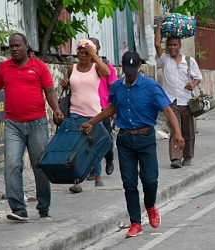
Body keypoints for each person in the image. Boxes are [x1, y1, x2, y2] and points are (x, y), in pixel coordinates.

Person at [79, 51, 185, 238]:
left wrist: (177, 133)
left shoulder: (150, 87)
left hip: (146, 138)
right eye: (126, 71)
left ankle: (150, 205)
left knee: (150, 180)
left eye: (132, 71)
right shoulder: (118, 87)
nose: (129, 75)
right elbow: (111, 108)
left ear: (139, 68)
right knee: (129, 183)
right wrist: (92, 122)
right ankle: (135, 222)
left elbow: (167, 110)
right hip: (125, 139)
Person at [0, 33, 64, 221]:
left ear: (26, 47)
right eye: (11, 46)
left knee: (40, 166)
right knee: (12, 165)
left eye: (18, 45)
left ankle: (44, 208)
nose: (14, 49)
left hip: (37, 123)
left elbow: (49, 91)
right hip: (13, 125)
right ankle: (18, 209)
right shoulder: (4, 68)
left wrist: (56, 109)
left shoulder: (39, 67)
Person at [154, 12, 203, 169]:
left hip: (186, 101)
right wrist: (160, 22)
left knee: (188, 131)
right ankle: (175, 158)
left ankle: (187, 156)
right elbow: (156, 44)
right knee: (175, 129)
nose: (172, 47)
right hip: (170, 101)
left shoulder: (189, 61)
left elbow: (198, 77)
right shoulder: (164, 60)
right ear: (167, 47)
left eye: (175, 45)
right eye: (170, 45)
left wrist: (193, 85)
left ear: (180, 46)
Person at [62, 39, 110, 193]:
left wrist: (94, 55)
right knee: (76, 147)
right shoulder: (72, 68)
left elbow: (107, 72)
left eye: (86, 53)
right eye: (81, 52)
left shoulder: (96, 68)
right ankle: (77, 180)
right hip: (75, 112)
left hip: (94, 113)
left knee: (94, 145)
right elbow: (72, 86)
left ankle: (98, 176)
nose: (83, 56)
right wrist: (65, 83)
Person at [86, 37, 117, 180]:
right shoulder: (83, 66)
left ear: (97, 49)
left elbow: (113, 87)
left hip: (103, 108)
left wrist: (114, 108)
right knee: (90, 140)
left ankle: (109, 157)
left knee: (106, 138)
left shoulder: (105, 66)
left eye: (92, 47)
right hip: (87, 108)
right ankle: (93, 169)